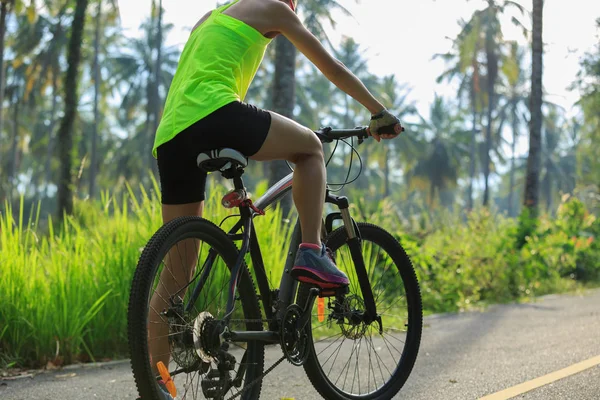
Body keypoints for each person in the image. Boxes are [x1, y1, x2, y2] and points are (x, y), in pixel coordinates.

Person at [146, 0, 402, 398]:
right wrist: (378, 112)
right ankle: (313, 251)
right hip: (215, 113)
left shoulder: (210, 17)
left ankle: (156, 388)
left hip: (171, 137)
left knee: (174, 279)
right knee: (311, 150)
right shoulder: (275, 9)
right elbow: (332, 67)